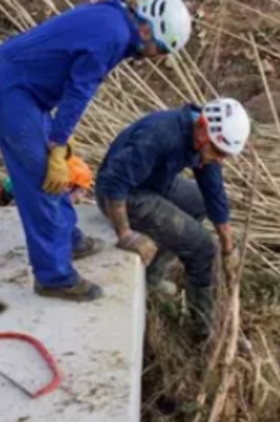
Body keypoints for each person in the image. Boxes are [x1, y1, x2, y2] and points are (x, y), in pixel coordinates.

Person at [0, 0, 193, 302]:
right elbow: (79, 91)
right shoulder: (113, 38)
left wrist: (61, 139)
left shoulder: (114, 18)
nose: (153, 56)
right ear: (147, 30)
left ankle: (68, 239)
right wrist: (58, 143)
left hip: (21, 86)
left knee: (53, 171)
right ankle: (53, 276)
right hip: (10, 89)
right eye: (157, 48)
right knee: (42, 179)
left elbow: (69, 69)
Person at [96, 99, 251, 339]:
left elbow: (214, 194)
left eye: (226, 155)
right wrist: (126, 235)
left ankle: (152, 278)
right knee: (202, 248)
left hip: (156, 183)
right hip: (127, 195)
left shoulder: (203, 142)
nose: (220, 159)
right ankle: (202, 331)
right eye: (219, 152)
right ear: (201, 128)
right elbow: (113, 183)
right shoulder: (160, 135)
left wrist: (229, 249)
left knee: (198, 205)